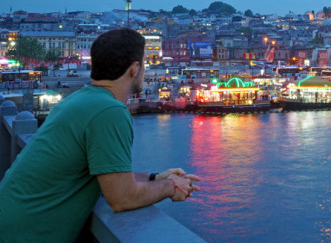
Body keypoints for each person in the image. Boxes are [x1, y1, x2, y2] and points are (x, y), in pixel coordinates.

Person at [0, 29, 200, 242]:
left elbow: (106, 175)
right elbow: (122, 198)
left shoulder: (79, 100)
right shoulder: (110, 111)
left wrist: (155, 177)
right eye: (144, 63)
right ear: (134, 69)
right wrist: (170, 187)